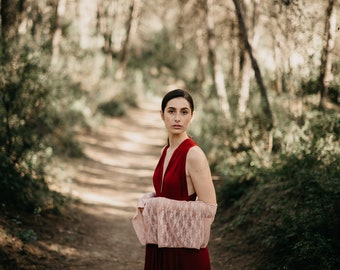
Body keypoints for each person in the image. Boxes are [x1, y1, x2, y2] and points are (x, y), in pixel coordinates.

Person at [132, 89, 217, 270]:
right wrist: (151, 199)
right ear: (162, 115)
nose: (177, 118)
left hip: (184, 251)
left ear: (191, 116)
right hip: (159, 243)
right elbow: (168, 192)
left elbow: (210, 209)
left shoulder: (194, 154)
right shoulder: (166, 150)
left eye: (184, 112)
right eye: (171, 111)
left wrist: (162, 206)